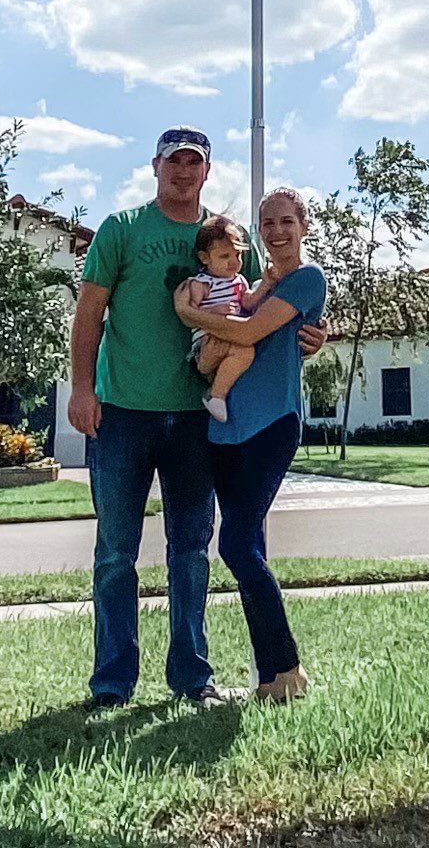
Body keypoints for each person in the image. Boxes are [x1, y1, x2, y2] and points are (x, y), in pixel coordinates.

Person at [67, 128, 326, 711]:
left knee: (190, 548)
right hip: (122, 412)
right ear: (156, 165)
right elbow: (89, 314)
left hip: (196, 421)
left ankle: (191, 678)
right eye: (174, 161)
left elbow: (265, 310)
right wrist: (83, 388)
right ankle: (111, 683)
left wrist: (310, 335)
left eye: (195, 162)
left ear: (206, 172)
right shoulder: (122, 229)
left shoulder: (232, 239)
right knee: (115, 552)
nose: (184, 171)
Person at [176, 186, 326, 704]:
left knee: (236, 544)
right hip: (223, 429)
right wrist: (207, 346)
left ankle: (287, 667)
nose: (278, 232)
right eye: (268, 224)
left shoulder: (307, 280)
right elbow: (206, 359)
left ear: (303, 227)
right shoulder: (250, 287)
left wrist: (192, 317)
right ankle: (272, 680)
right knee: (249, 547)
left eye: (287, 222)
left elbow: (250, 332)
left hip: (272, 425)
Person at [181, 214, 275, 424]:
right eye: (225, 256)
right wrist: (215, 311)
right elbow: (190, 314)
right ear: (205, 258)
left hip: (232, 338)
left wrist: (266, 285)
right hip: (205, 341)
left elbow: (248, 303)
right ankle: (217, 396)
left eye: (237, 255)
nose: (234, 262)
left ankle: (216, 393)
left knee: (245, 352)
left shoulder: (239, 281)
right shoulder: (201, 283)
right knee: (244, 351)